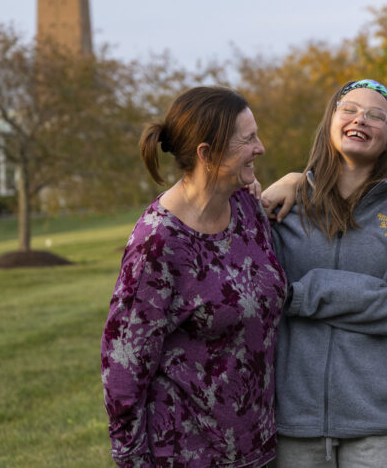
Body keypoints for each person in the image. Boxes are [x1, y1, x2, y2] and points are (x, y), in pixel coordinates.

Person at [101, 86, 287, 467]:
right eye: (249, 138)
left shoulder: (247, 207)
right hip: (186, 450)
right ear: (207, 153)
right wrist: (131, 458)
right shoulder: (158, 240)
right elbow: (124, 361)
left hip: (257, 445)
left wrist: (298, 179)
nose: (261, 147)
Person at [268, 79, 387, 468]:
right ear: (330, 121)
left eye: (376, 115)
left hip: (377, 421)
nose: (360, 119)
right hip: (292, 420)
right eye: (349, 109)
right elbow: (263, 294)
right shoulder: (283, 209)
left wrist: (308, 294)